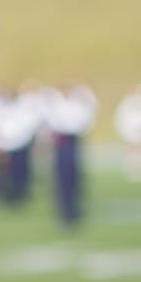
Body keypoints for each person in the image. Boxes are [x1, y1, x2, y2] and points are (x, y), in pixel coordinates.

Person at [44, 84, 96, 227]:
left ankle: (73, 206)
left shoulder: (77, 105)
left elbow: (84, 122)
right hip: (62, 141)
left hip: (73, 140)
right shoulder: (56, 104)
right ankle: (64, 208)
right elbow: (52, 123)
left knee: (74, 174)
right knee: (62, 175)